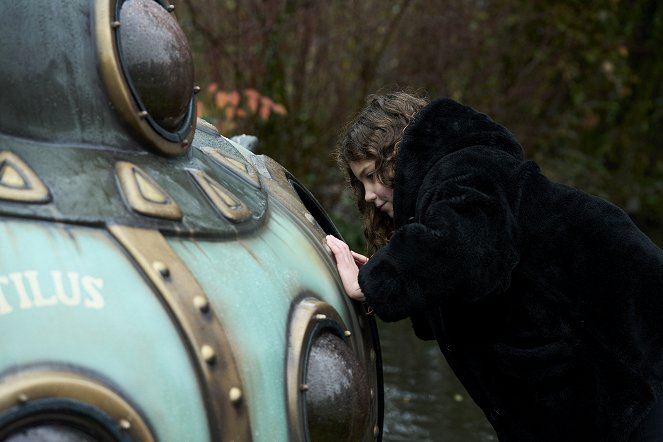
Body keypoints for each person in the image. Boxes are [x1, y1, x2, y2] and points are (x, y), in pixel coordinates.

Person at [325, 91, 663, 441]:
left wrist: (374, 282)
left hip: (636, 377)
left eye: (370, 176)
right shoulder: (455, 184)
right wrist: (385, 273)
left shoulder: (466, 170)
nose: (367, 195)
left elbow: (460, 249)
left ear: (394, 154)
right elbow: (461, 284)